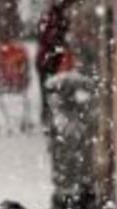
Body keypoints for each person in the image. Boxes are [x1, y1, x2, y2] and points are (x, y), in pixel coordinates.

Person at [36, 0, 79, 131]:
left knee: (55, 94)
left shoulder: (55, 14)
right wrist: (63, 43)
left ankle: (53, 122)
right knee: (51, 94)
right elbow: (48, 38)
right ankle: (51, 123)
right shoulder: (53, 15)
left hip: (53, 61)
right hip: (51, 61)